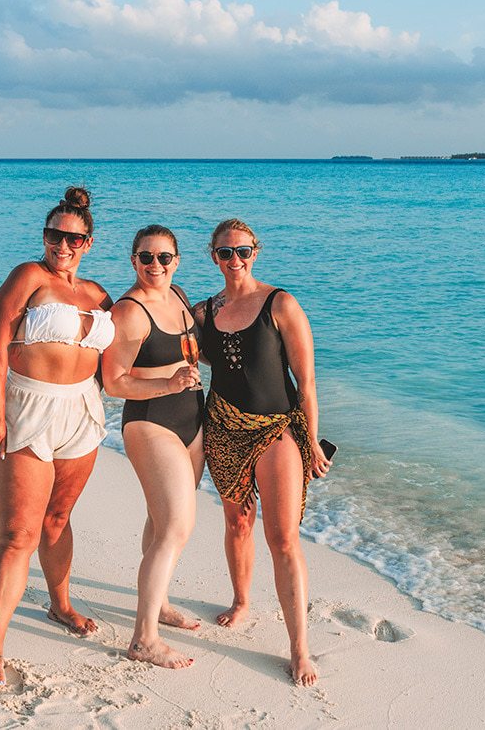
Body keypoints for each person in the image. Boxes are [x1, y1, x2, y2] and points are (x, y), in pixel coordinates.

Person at [0, 187, 113, 689]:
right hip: (26, 408)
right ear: (45, 235)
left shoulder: (99, 294)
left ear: (89, 243)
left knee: (58, 518)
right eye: (56, 234)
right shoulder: (28, 277)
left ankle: (60, 604)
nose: (64, 245)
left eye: (74, 238)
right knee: (17, 535)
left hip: (83, 412)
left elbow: (133, 341)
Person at [193, 219, 332, 686]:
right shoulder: (203, 311)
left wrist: (311, 439)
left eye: (243, 251)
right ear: (213, 256)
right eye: (225, 252)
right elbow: (175, 340)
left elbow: (307, 382)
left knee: (283, 538)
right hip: (224, 427)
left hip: (276, 430)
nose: (235, 260)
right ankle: (241, 600)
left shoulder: (281, 304)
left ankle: (300, 649)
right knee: (236, 522)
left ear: (256, 252)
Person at [102, 225, 204, 669]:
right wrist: (169, 382)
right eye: (146, 258)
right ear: (133, 261)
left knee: (160, 519)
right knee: (177, 527)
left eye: (164, 258)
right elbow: (113, 381)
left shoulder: (179, 296)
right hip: (150, 422)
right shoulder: (128, 312)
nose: (155, 266)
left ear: (177, 261)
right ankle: (144, 639)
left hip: (192, 421)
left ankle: (157, 604)